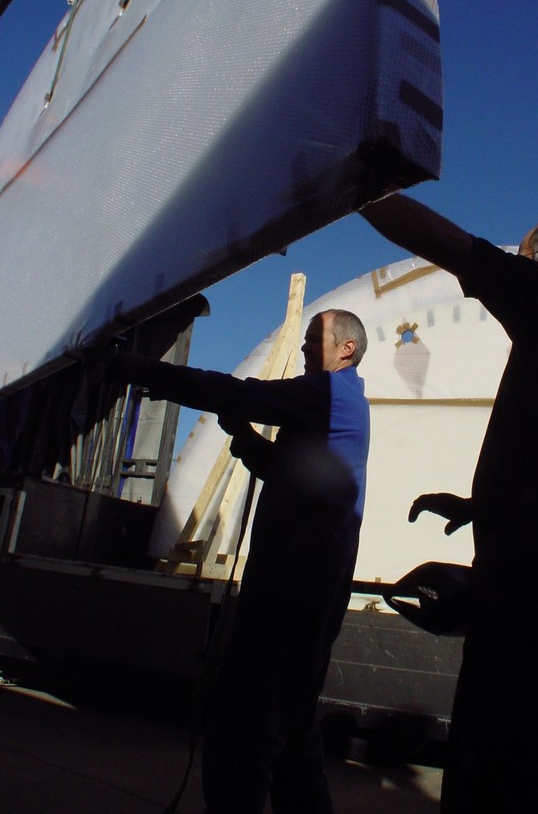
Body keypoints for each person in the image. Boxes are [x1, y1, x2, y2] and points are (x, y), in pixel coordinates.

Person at [361, 194, 538, 813]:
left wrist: (361, 189)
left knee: (496, 762)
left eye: (526, 261)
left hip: (533, 579)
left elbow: (458, 250)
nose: (521, 272)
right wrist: (481, 505)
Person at [95, 309, 370, 814]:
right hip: (310, 588)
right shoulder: (339, 409)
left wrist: (139, 371)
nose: (307, 349)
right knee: (291, 726)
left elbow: (241, 392)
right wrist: (244, 438)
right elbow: (286, 470)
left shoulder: (330, 393)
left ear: (345, 349)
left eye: (315, 341)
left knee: (249, 725)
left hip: (294, 589)